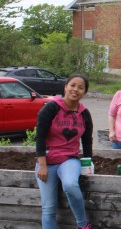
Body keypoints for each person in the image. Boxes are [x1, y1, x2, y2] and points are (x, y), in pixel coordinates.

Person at [35, 75, 93, 229]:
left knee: (70, 184)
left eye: (81, 88)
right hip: (47, 160)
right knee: (48, 208)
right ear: (65, 87)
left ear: (84, 92)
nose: (76, 90)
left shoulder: (84, 114)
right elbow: (40, 136)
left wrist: (88, 162)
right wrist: (42, 165)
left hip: (69, 158)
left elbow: (87, 140)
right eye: (73, 85)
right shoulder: (51, 108)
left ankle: (83, 224)